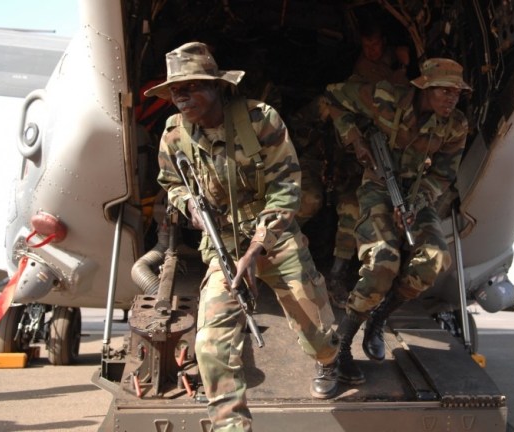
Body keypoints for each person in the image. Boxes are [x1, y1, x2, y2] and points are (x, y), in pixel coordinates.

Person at [147, 42, 340, 432]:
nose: (181, 98)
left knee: (317, 333)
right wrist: (190, 208)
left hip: (276, 236)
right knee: (211, 344)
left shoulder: (260, 120)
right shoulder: (173, 135)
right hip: (222, 244)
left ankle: (331, 361)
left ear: (217, 87)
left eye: (191, 87)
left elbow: (287, 189)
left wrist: (257, 248)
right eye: (175, 91)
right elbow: (170, 183)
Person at [323, 58, 470, 384]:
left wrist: (417, 202)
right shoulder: (383, 97)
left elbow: (443, 175)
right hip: (377, 185)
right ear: (426, 87)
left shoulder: (455, 126)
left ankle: (379, 318)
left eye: (457, 93)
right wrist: (356, 141)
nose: (452, 99)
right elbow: (332, 97)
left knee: (433, 260)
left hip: (415, 194)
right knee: (382, 263)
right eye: (445, 91)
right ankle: (341, 346)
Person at [326, 20, 412, 309]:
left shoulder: (395, 62)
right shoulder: (363, 77)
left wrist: (403, 66)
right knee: (352, 209)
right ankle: (338, 273)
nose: (371, 51)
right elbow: (334, 99)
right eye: (366, 46)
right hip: (360, 155)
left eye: (375, 45)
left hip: (391, 152)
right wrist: (356, 141)